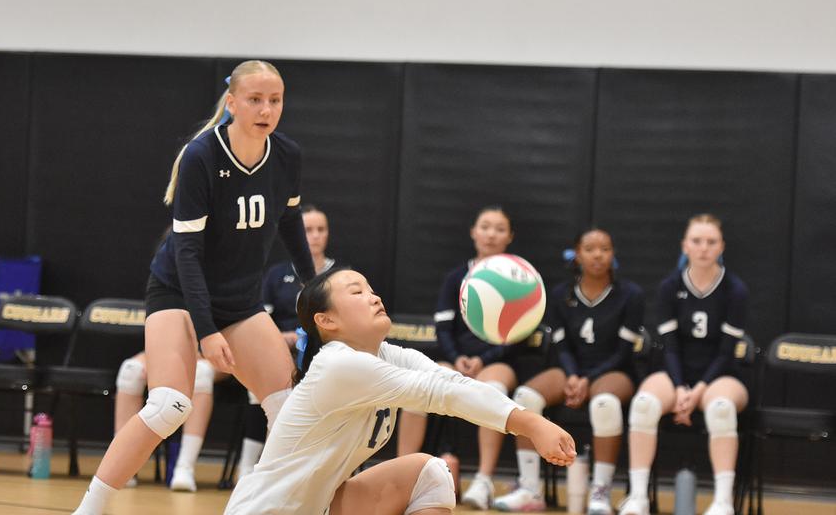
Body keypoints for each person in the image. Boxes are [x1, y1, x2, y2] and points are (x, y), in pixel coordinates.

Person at [73, 60, 316, 514]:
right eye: (255, 99)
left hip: (240, 301)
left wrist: (314, 290)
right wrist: (206, 331)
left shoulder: (287, 155)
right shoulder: (202, 155)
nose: (266, 109)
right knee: (169, 404)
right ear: (233, 102)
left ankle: (269, 505)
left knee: (289, 409)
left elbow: (288, 219)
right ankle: (91, 508)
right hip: (178, 293)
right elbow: (186, 254)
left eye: (275, 100)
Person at [224, 267, 577, 514]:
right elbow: (439, 394)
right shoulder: (337, 365)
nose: (373, 296)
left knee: (430, 474)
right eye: (357, 292)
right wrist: (531, 424)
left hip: (320, 508)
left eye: (370, 288)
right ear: (326, 321)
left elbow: (452, 384)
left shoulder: (388, 355)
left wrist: (529, 421)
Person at [493, 228, 644, 514]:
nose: (598, 254)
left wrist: (587, 379)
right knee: (524, 397)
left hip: (613, 371)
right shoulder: (561, 294)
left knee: (605, 404)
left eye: (605, 248)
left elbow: (623, 352)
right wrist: (574, 375)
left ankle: (600, 492)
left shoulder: (630, 295)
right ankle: (529, 488)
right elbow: (562, 347)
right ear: (577, 255)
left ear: (613, 255)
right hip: (570, 370)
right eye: (590, 248)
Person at [397, 205, 531, 510]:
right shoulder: (456, 277)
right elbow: (443, 328)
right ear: (473, 232)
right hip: (454, 358)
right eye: (485, 226)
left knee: (492, 392)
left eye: (499, 228)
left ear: (509, 236)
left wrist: (483, 360)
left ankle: (483, 481)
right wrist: (458, 358)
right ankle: (402, 475)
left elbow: (516, 333)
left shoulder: (518, 278)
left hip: (497, 360)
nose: (491, 234)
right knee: (417, 389)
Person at [618, 214, 749, 515]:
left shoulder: (735, 290)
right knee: (644, 405)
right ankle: (638, 498)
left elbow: (726, 352)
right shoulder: (669, 287)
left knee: (720, 409)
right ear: (685, 246)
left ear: (722, 247)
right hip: (677, 371)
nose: (704, 248)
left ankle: (723, 502)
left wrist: (699, 391)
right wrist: (679, 388)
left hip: (720, 376)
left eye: (711, 242)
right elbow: (671, 347)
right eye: (697, 241)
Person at [233, 204, 337, 481]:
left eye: (321, 229)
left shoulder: (340, 277)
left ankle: (305, 470)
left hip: (324, 353)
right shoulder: (277, 274)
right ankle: (248, 468)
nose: (315, 236)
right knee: (260, 386)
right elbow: (259, 321)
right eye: (308, 230)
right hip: (278, 349)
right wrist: (283, 338)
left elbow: (345, 323)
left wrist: (303, 336)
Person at [112, 354, 225, 491]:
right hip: (173, 351)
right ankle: (123, 466)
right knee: (131, 370)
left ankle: (185, 467)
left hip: (218, 354)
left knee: (200, 373)